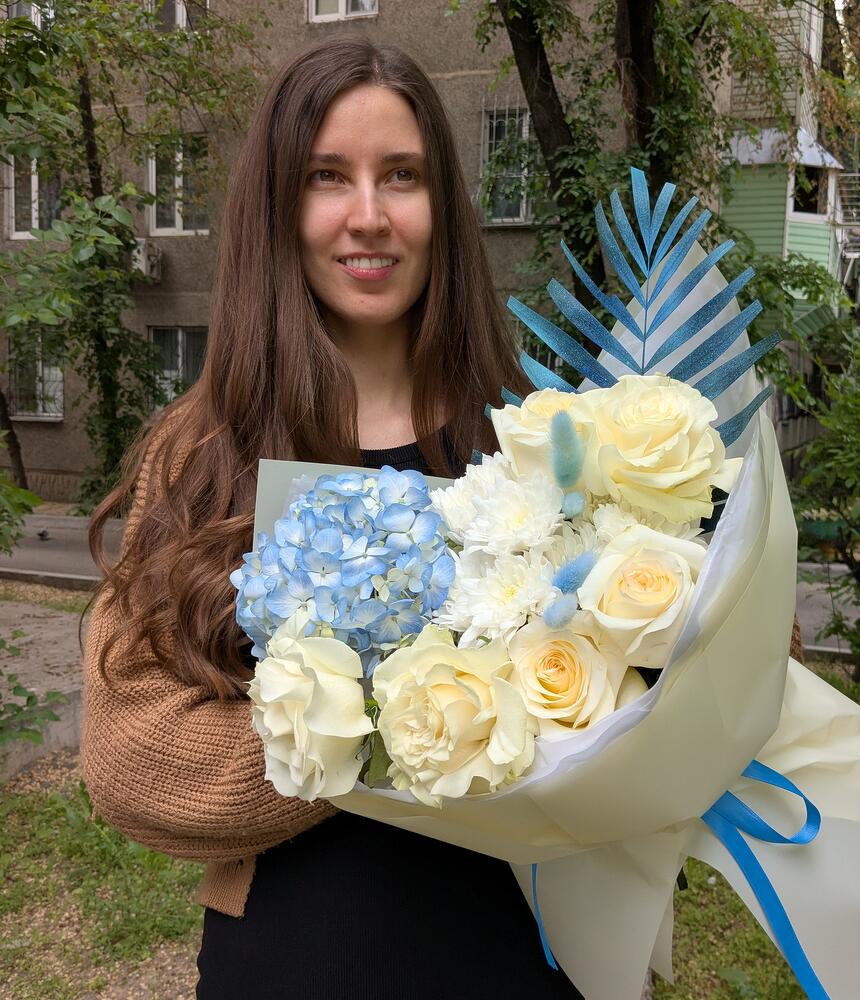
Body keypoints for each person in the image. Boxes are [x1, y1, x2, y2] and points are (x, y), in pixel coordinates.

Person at [82, 37, 584, 999]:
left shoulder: (534, 437)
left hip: (525, 953)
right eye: (326, 176)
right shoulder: (204, 450)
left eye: (401, 175)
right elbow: (131, 760)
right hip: (293, 961)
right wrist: (407, 727)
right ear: (278, 205)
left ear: (442, 205)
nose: (368, 216)